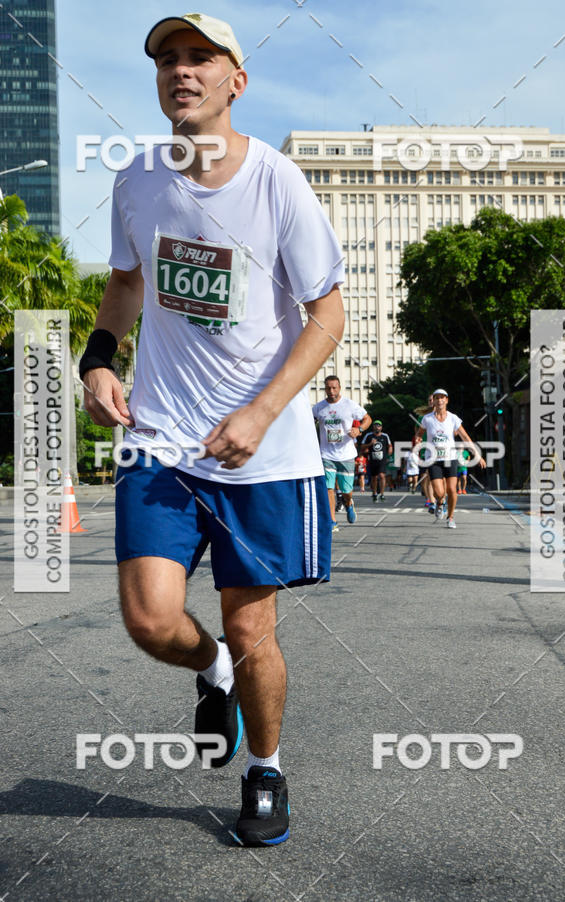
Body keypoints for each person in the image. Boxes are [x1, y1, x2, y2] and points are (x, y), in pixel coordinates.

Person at [79, 12, 345, 847]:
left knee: (250, 626)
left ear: (237, 80)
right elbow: (126, 283)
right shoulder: (137, 181)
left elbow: (328, 314)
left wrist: (263, 411)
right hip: (161, 435)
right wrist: (97, 357)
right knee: (153, 620)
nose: (181, 72)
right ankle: (212, 673)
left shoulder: (277, 183)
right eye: (168, 59)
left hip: (262, 451)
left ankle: (265, 770)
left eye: (202, 59)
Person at [415, 389, 486, 528]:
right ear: (434, 401)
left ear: (446, 400)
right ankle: (440, 503)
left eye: (442, 398)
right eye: (437, 398)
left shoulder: (453, 418)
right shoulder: (427, 419)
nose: (440, 400)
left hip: (450, 458)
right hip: (433, 459)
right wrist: (417, 440)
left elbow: (465, 437)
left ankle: (451, 517)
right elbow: (419, 433)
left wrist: (476, 454)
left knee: (452, 490)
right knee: (439, 492)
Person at [312, 375, 371, 530]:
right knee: (328, 488)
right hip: (326, 455)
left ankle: (348, 502)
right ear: (324, 389)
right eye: (328, 388)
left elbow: (367, 419)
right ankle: (332, 521)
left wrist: (359, 429)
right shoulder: (318, 408)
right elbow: (309, 423)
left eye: (334, 388)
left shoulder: (349, 405)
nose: (331, 391)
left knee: (346, 491)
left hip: (346, 454)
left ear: (339, 388)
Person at [361, 420, 393, 502]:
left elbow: (390, 445)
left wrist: (390, 450)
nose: (377, 427)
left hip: (382, 460)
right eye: (375, 425)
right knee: (374, 477)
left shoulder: (385, 436)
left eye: (379, 426)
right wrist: (370, 444)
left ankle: (382, 494)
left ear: (381, 427)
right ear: (373, 427)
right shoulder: (369, 436)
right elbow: (362, 447)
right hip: (372, 460)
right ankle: (375, 493)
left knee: (382, 475)